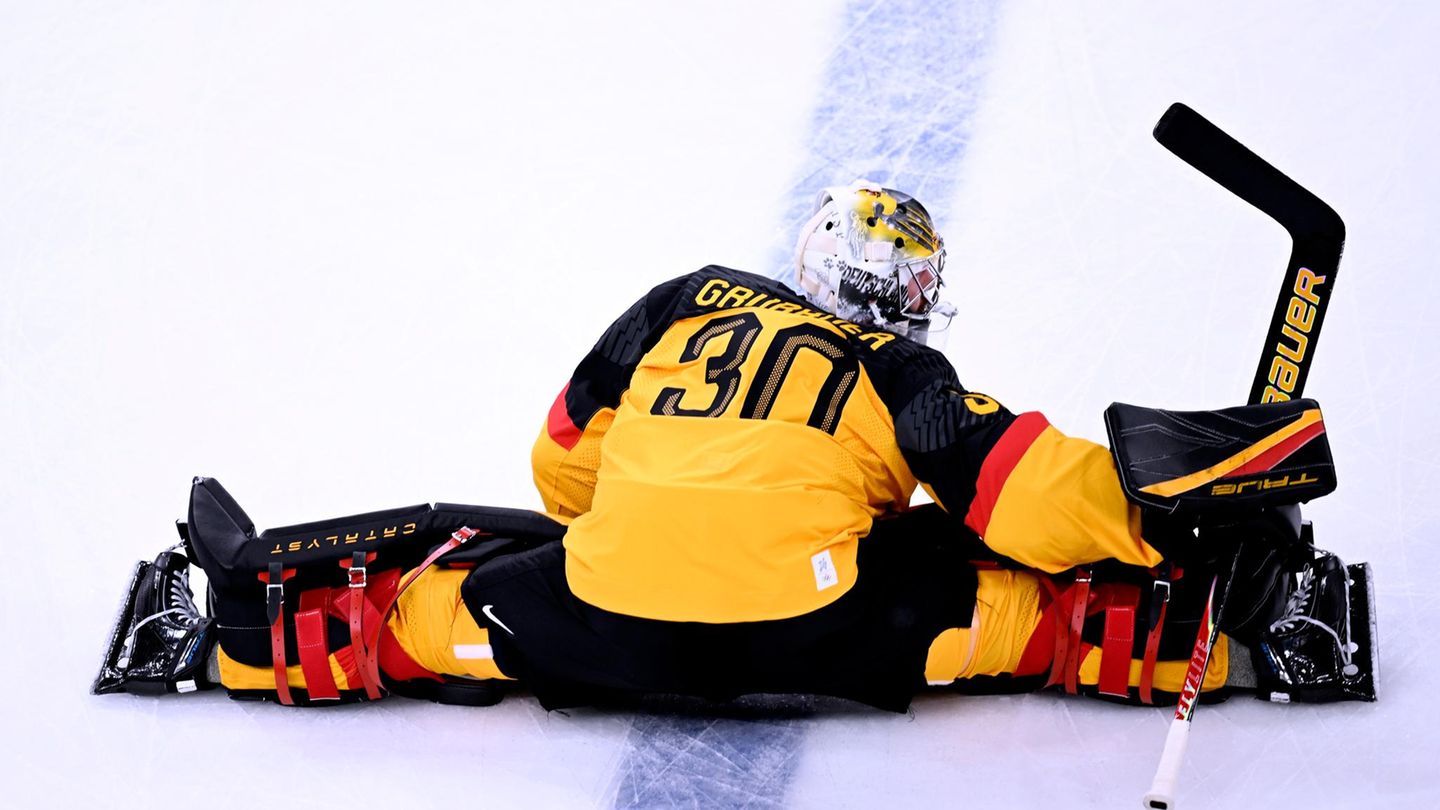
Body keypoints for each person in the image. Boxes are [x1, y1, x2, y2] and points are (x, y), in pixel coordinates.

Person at [94, 181, 1376, 711]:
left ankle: (259, 636)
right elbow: (1027, 496)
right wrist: (1169, 513)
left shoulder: (686, 299)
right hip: (827, 634)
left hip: (597, 629)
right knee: (1009, 601)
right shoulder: (901, 369)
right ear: (908, 298)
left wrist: (651, 511)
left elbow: (560, 472)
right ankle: (1204, 631)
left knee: (452, 591)